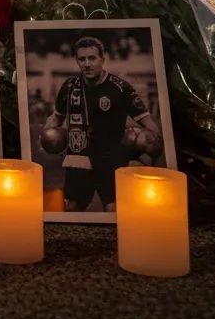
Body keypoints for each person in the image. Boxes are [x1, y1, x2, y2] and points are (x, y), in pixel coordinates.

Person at [41, 36, 161, 212]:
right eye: (82, 59)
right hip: (79, 158)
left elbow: (151, 128)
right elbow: (56, 118)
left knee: (114, 211)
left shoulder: (121, 88)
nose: (87, 64)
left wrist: (145, 160)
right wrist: (47, 134)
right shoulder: (69, 87)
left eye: (92, 58)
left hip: (111, 159)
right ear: (77, 60)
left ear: (102, 60)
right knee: (72, 208)